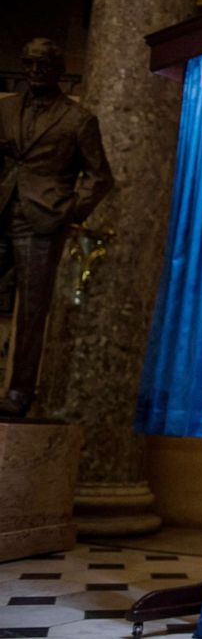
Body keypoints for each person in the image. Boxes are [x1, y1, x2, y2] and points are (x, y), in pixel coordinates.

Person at [0, 38, 114, 416]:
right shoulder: (7, 108)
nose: (34, 72)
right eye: (29, 64)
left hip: (42, 219)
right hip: (3, 206)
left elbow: (100, 177)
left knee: (33, 311)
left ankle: (20, 394)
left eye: (43, 65)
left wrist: (67, 213)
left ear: (58, 70)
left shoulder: (78, 119)